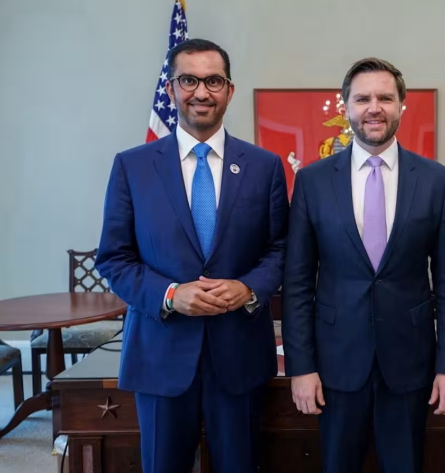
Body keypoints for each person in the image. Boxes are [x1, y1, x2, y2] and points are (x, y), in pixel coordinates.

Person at [96, 38, 288, 473]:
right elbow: (114, 257)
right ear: (171, 89)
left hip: (239, 354)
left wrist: (248, 288)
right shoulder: (132, 166)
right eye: (189, 80)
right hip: (160, 355)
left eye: (213, 81)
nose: (201, 92)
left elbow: (281, 248)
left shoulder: (264, 166)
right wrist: (169, 294)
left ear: (229, 90)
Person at [282, 57, 445, 473]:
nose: (374, 108)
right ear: (346, 106)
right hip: (334, 366)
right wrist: (301, 367)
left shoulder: (436, 180)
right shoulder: (312, 181)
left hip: (410, 364)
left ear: (401, 105)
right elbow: (296, 284)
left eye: (385, 98)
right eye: (362, 98)